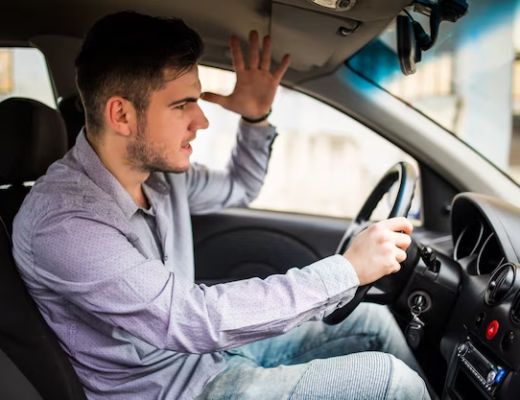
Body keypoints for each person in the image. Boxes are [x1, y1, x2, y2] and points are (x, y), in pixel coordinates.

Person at [12, 11, 431, 400]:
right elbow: (191, 320)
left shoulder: (157, 175)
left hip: (205, 357)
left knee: (373, 322)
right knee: (391, 383)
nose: (202, 120)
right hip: (171, 390)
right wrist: (347, 270)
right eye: (181, 105)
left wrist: (255, 119)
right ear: (122, 115)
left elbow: (240, 186)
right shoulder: (64, 223)